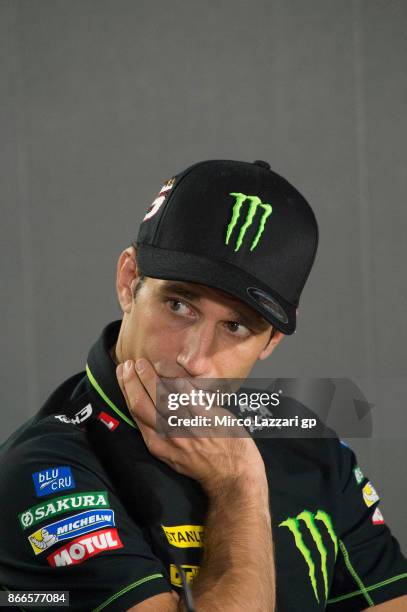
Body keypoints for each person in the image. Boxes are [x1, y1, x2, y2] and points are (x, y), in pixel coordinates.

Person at [0, 159, 406, 611]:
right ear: (128, 280)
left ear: (271, 340)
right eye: (178, 305)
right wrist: (240, 485)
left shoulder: (307, 443)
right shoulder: (45, 469)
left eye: (235, 326)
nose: (192, 359)